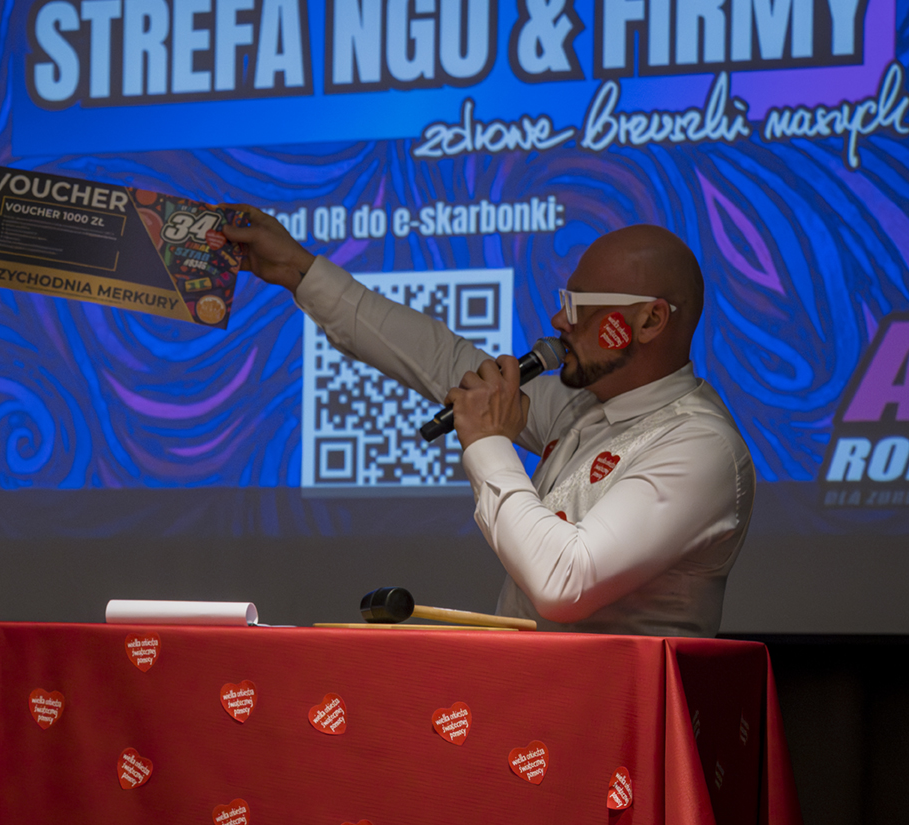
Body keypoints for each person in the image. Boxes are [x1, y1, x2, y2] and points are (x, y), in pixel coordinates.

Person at [224, 210, 754, 637]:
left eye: (578, 306)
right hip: (541, 705)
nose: (559, 321)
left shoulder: (700, 446)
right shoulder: (584, 407)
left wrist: (488, 443)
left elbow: (563, 583)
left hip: (620, 721)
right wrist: (300, 270)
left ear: (650, 320)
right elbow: (441, 358)